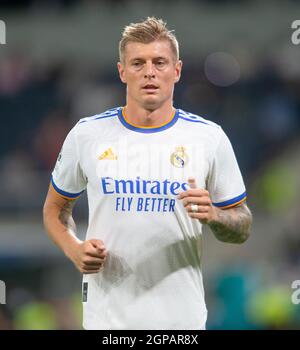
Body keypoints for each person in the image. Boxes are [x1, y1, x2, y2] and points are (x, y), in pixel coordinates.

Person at [43, 17, 252, 330]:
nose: (149, 72)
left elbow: (242, 225)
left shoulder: (209, 138)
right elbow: (55, 209)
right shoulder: (87, 135)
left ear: (177, 70)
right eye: (138, 63)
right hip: (108, 324)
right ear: (122, 72)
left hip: (181, 324)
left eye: (160, 62)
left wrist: (214, 216)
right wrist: (74, 248)